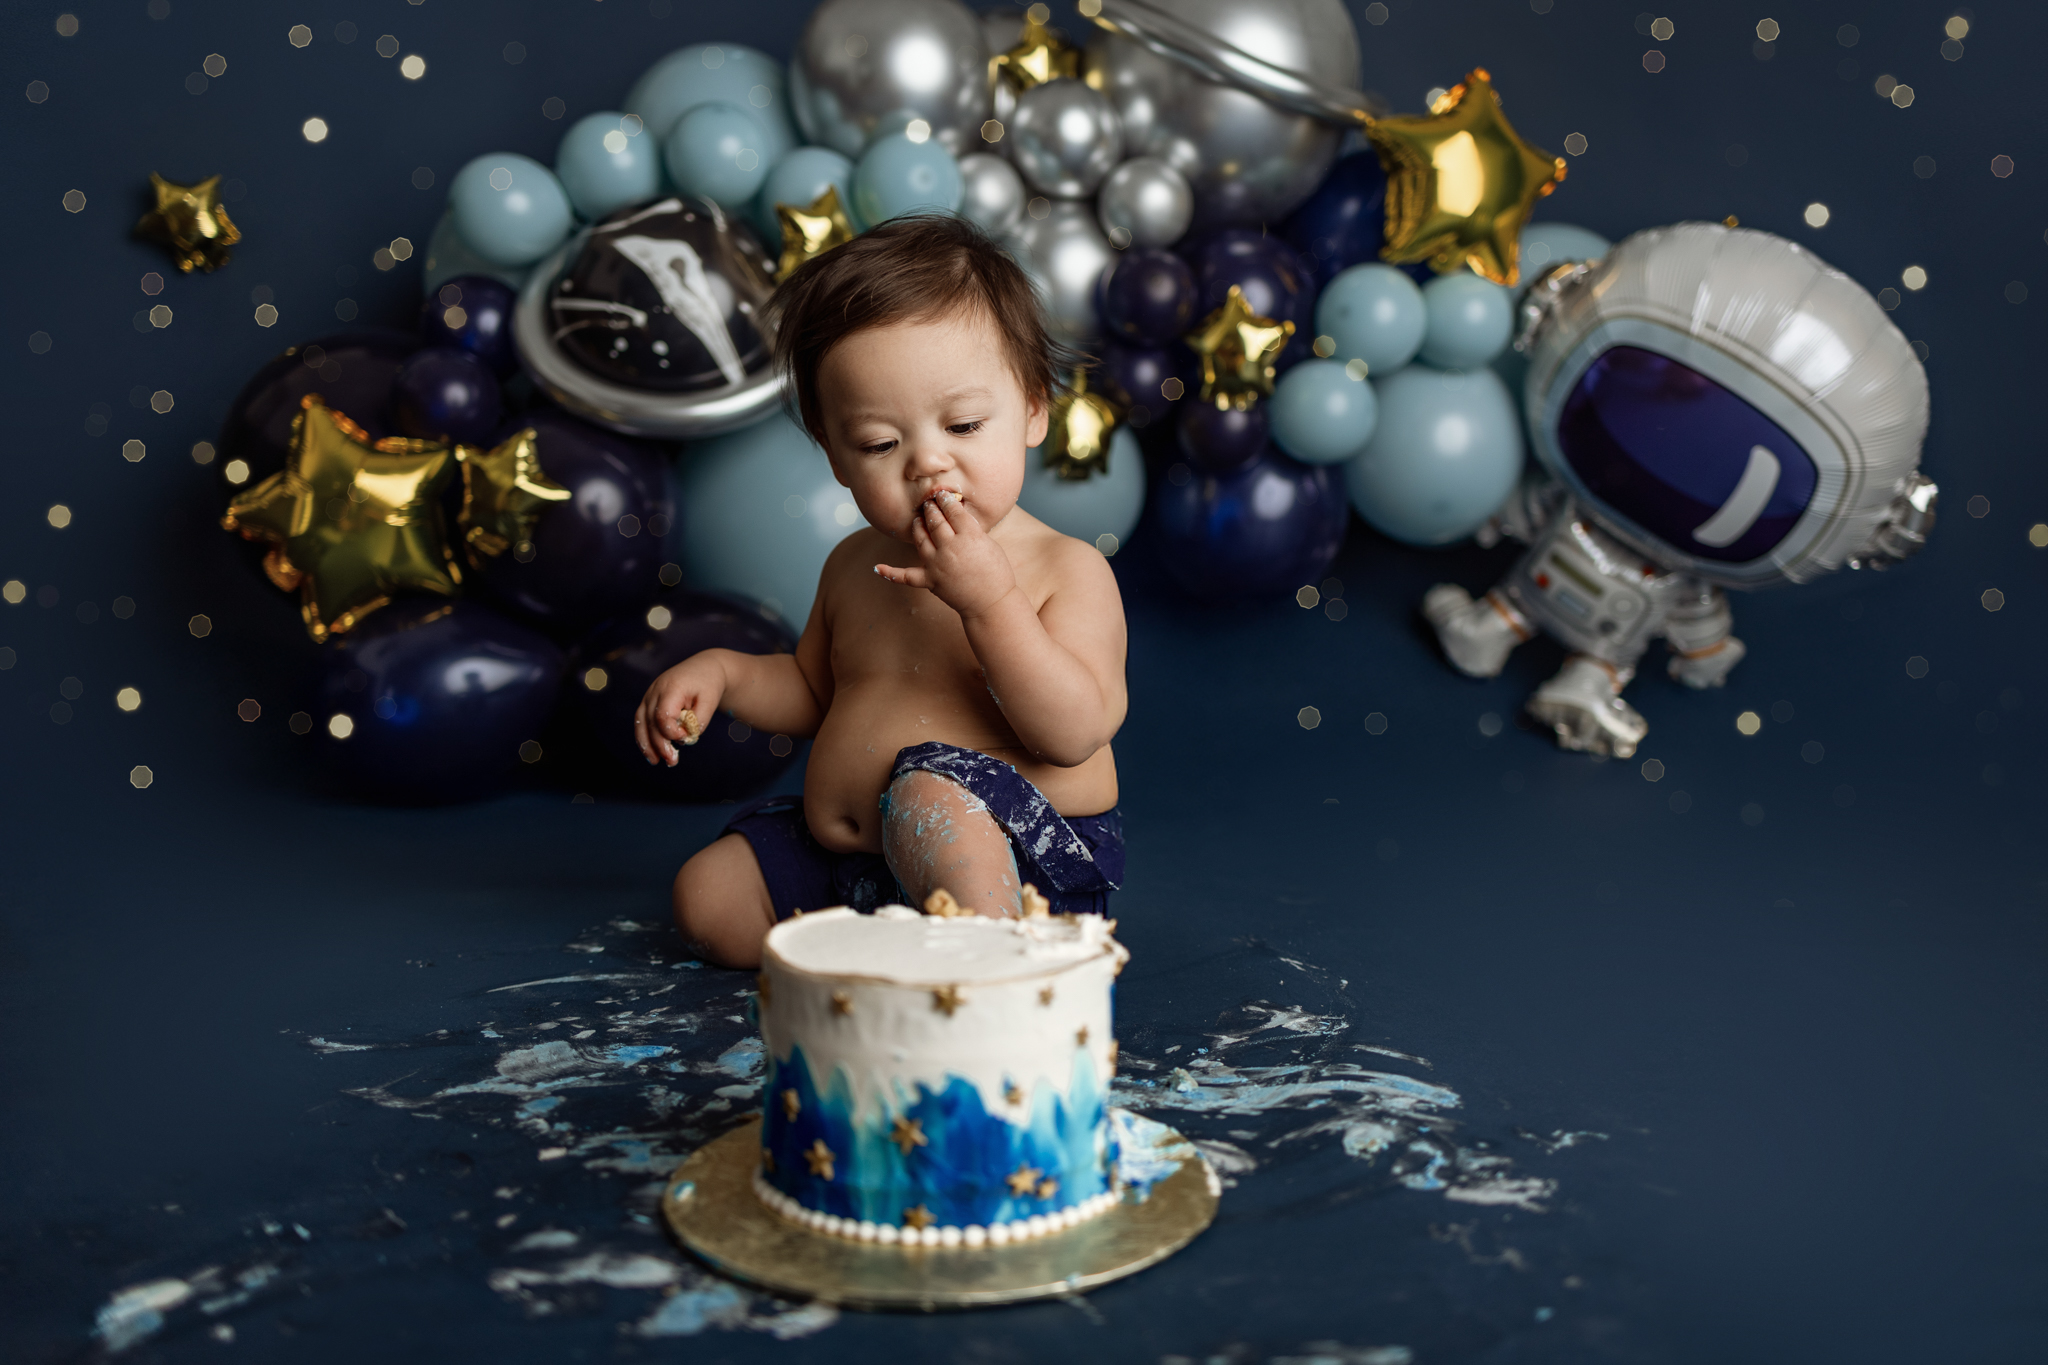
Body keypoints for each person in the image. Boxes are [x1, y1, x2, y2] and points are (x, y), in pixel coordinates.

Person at [634, 215, 1128, 968]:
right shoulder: (853, 564)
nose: (929, 463)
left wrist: (990, 602)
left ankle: (992, 966)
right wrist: (725, 675)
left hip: (1017, 863)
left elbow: (1072, 733)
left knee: (928, 790)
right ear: (833, 453)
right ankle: (879, 976)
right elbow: (813, 690)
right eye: (878, 443)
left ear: (1033, 408)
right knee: (710, 895)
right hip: (858, 868)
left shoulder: (1066, 570)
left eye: (963, 424)